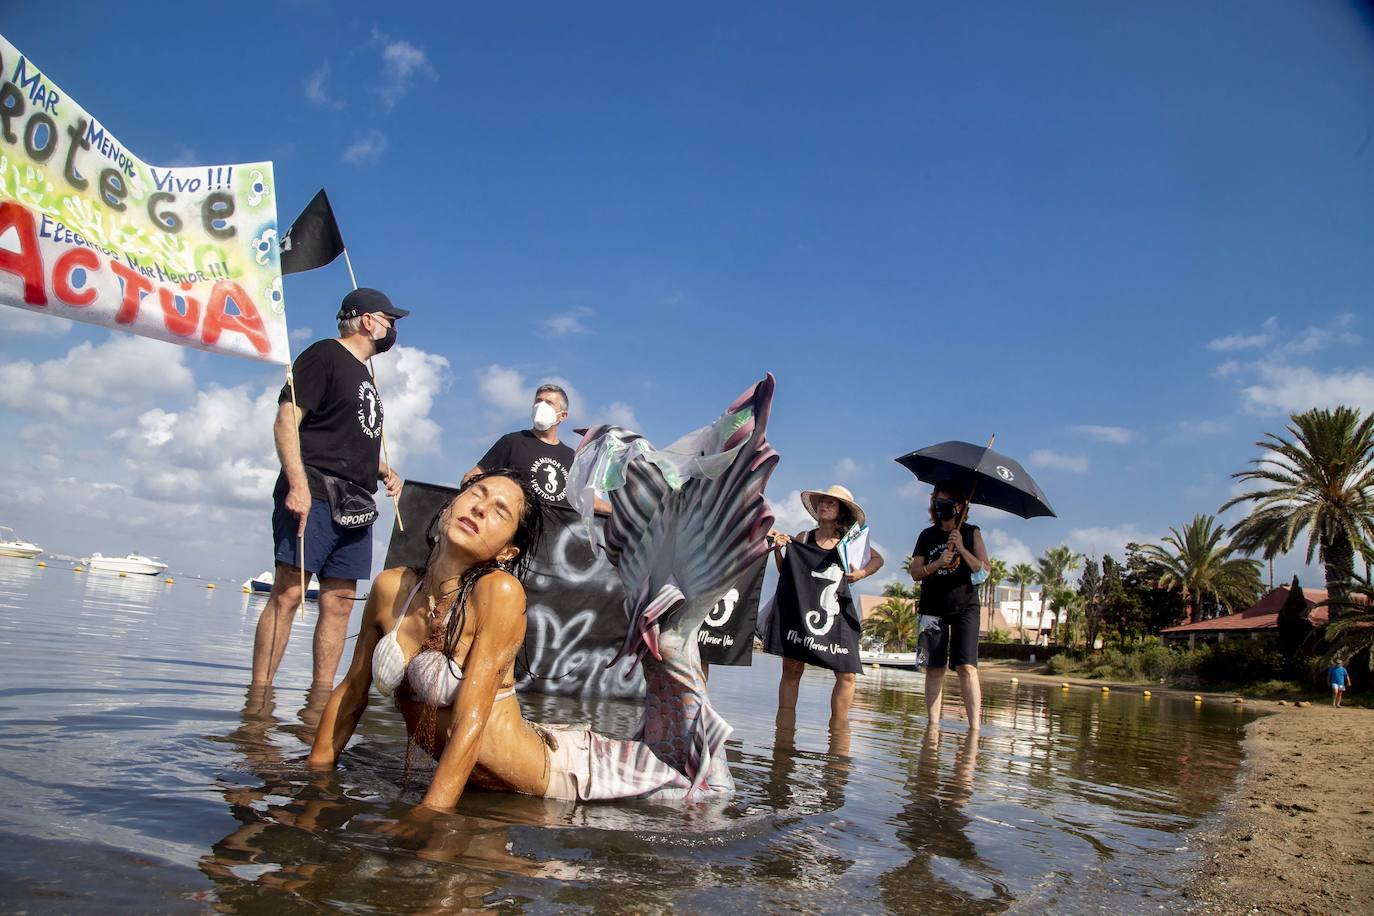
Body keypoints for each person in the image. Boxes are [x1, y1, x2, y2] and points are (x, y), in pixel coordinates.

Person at [309, 376, 778, 817]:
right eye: (478, 494)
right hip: (489, 781)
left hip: (564, 778)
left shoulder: (498, 593)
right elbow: (351, 693)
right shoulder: (392, 587)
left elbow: (471, 720)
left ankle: (715, 476)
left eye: (500, 511)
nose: (480, 506)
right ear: (451, 502)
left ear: (508, 548)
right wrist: (312, 786)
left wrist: (430, 820)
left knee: (701, 783)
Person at [250, 288, 406, 689]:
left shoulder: (365, 373)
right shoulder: (324, 355)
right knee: (288, 594)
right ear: (368, 321)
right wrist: (297, 486)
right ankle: (259, 698)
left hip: (357, 500)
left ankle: (320, 698)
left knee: (339, 604)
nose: (393, 329)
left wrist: (380, 468)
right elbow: (287, 421)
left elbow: (343, 437)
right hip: (315, 492)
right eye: (390, 321)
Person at [769, 484, 884, 724]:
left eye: (830, 503)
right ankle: (784, 732)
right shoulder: (804, 537)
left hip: (837, 614)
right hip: (802, 611)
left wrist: (862, 573)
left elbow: (878, 559)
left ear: (841, 511)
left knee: (847, 675)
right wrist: (778, 551)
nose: (824, 505)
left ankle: (839, 730)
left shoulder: (849, 543)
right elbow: (787, 574)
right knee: (791, 670)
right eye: (822, 501)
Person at [907, 480, 989, 730]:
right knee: (934, 668)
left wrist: (962, 549)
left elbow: (984, 571)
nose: (940, 507)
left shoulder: (971, 532)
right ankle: (933, 727)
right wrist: (938, 563)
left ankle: (974, 728)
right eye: (937, 502)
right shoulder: (927, 535)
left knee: (967, 667)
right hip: (933, 607)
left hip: (965, 606)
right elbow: (915, 572)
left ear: (960, 506)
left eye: (947, 503)